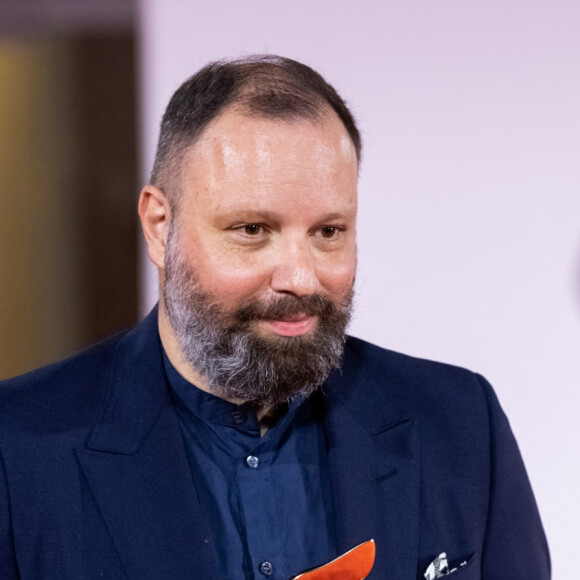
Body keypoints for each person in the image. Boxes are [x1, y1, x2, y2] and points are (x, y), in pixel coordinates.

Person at [0, 55, 549, 579]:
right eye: (252, 230)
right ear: (160, 226)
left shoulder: (460, 424)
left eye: (328, 232)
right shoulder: (17, 448)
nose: (301, 279)